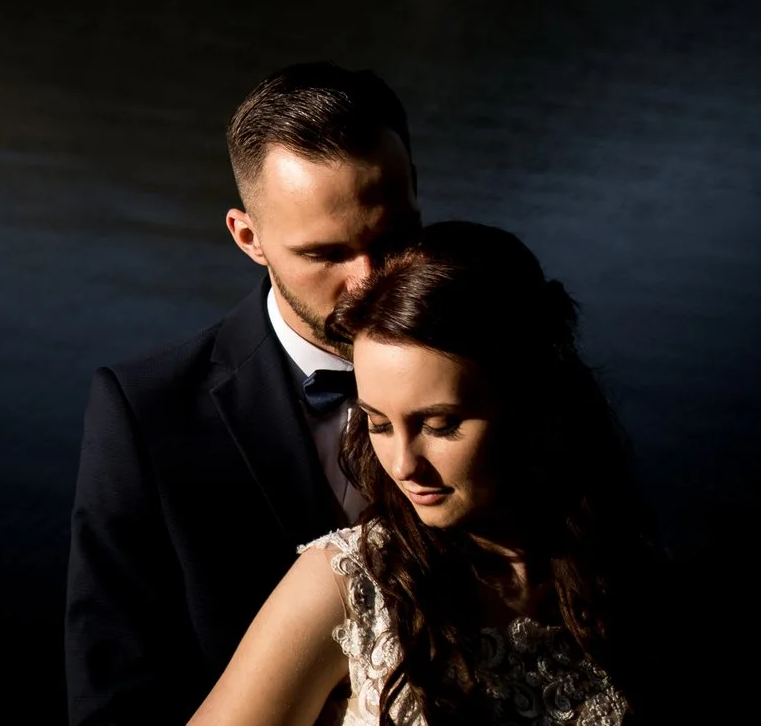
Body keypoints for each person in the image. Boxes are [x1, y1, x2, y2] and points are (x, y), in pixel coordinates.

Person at [186, 222, 663, 726]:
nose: (402, 465)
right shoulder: (346, 589)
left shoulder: (630, 578)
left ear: (530, 405)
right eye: (377, 423)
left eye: (439, 425)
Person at [67, 64, 422, 726]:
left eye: (393, 238)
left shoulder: (508, 371)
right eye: (327, 253)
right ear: (248, 237)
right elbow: (115, 697)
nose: (370, 281)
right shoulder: (147, 415)